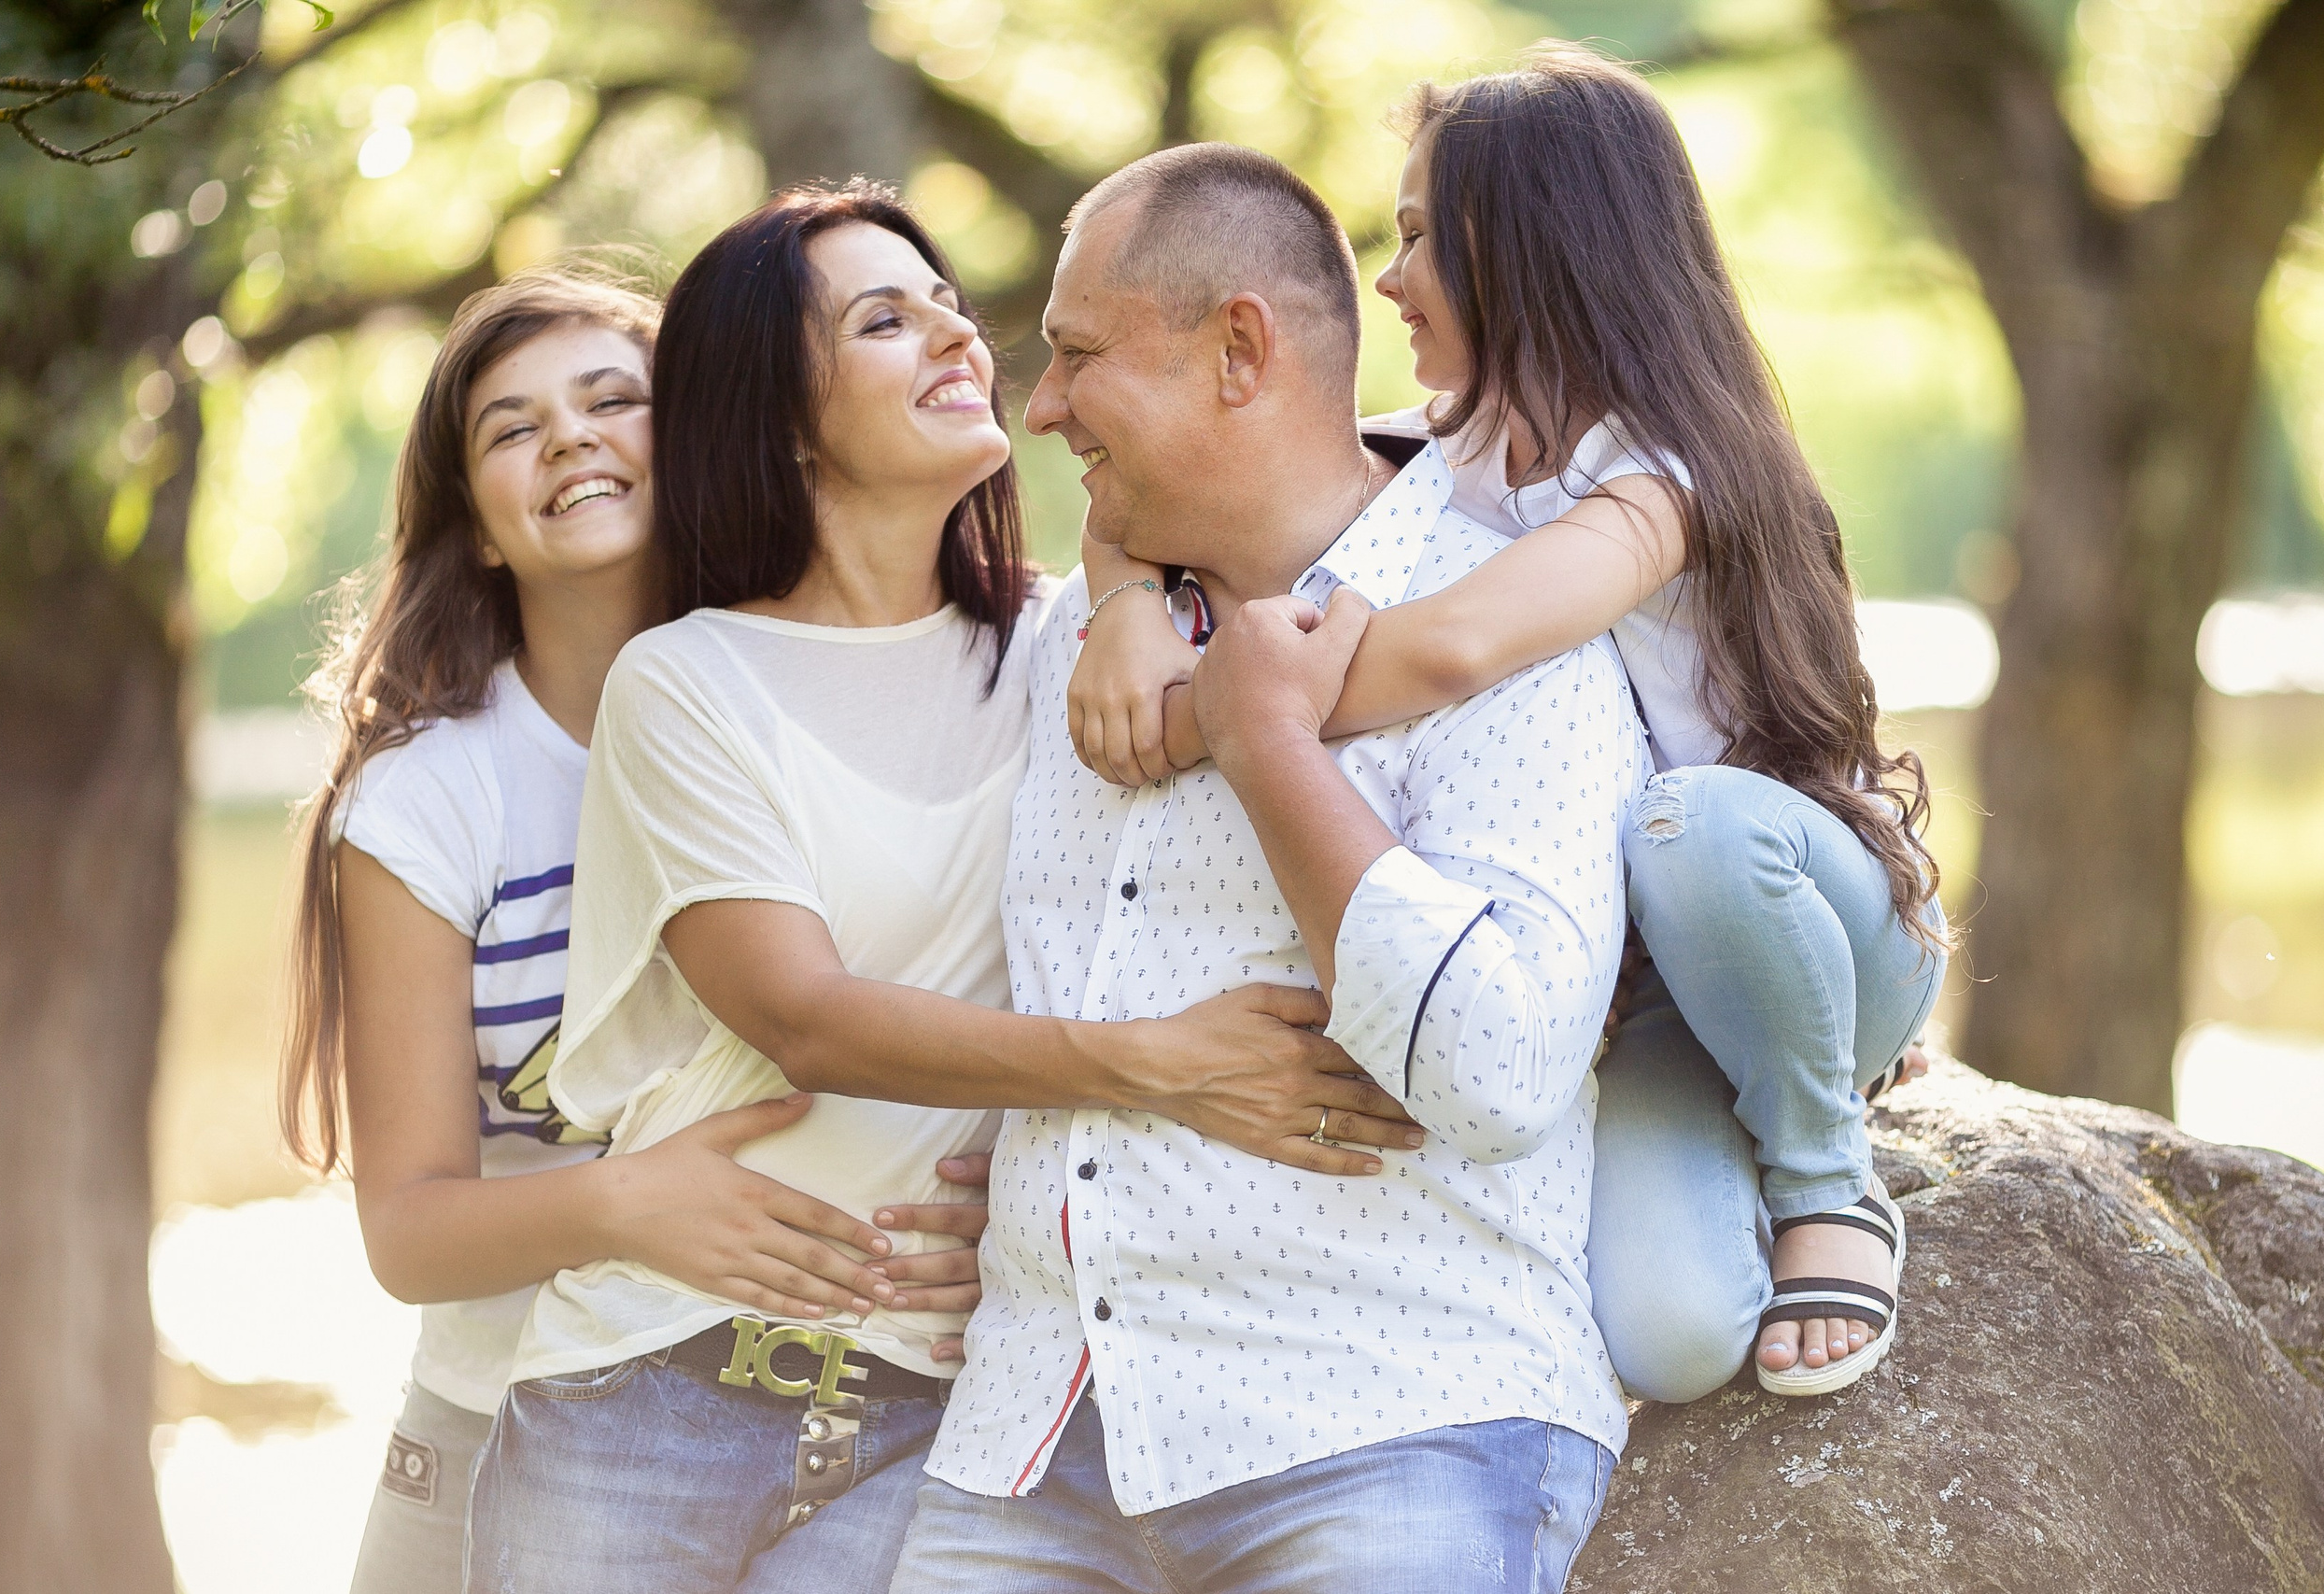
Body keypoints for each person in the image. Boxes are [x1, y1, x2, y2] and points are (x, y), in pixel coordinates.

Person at [462, 185, 1421, 1594]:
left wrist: (1120, 592)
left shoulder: (1062, 648)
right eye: (884, 321)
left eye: (949, 307)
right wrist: (1155, 1067)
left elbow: (1319, 523)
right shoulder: (684, 682)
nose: (958, 338)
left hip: (935, 1411)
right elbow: (804, 1018)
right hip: (652, 1386)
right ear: (780, 414)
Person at [1066, 45, 1951, 1400]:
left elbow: (1457, 646)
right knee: (1672, 1339)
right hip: (1665, 983)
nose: (1389, 278)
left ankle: (1829, 1176)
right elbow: (1192, 483)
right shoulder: (1457, 446)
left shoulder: (1667, 481)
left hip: (1804, 920)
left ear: (1538, 247)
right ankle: (1764, 1123)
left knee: (1694, 825)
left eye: (1420, 236)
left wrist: (1224, 721)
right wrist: (1128, 599)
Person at [891, 144, 1638, 1594]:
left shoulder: (1513, 635)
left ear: (1240, 350)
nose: (1039, 407)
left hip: (1392, 1424)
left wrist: (1271, 744)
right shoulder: (1068, 643)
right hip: (1031, 1438)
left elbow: (1497, 1074)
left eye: (1080, 356)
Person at [279, 266, 995, 1594]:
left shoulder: (832, 690)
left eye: (615, 401)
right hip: (502, 1423)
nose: (570, 438)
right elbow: (408, 1233)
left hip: (852, 1404)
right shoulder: (434, 796)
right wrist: (627, 1205)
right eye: (513, 428)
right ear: (477, 528)